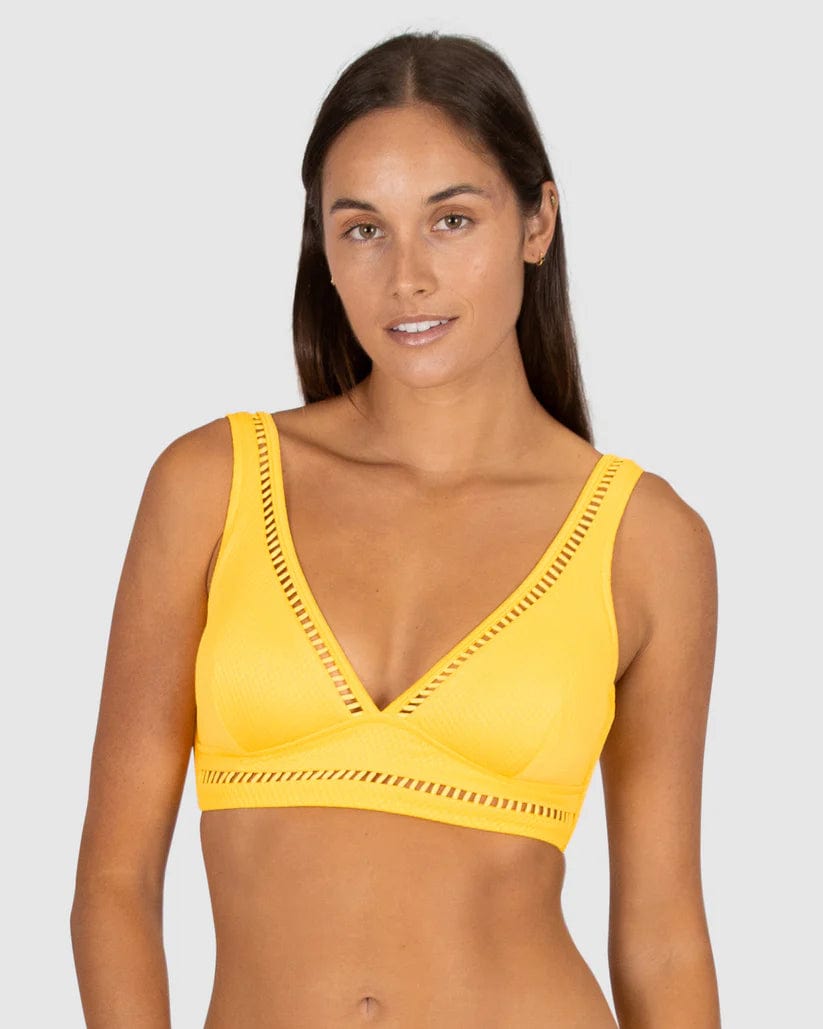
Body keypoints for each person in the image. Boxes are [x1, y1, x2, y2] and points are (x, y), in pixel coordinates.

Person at [70, 31, 720, 1028]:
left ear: (537, 222)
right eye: (363, 228)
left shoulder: (645, 540)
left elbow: (661, 935)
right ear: (323, 249)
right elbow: (114, 885)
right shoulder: (211, 486)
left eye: (451, 220)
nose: (407, 276)